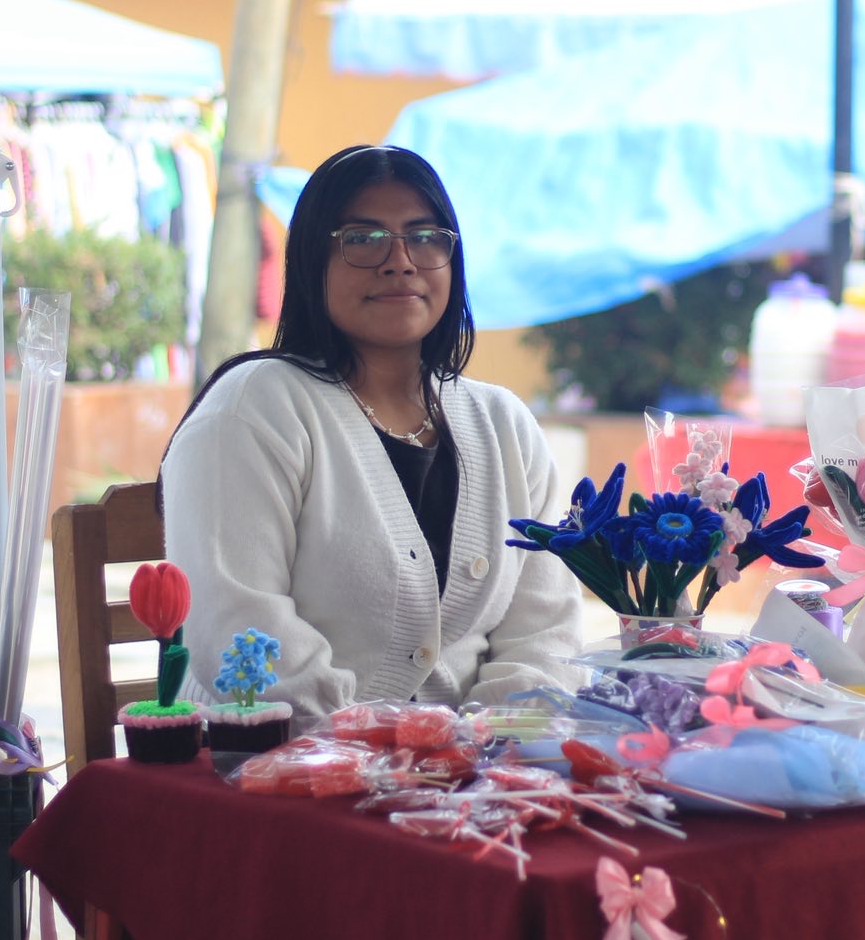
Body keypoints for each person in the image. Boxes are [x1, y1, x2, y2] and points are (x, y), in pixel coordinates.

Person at [160, 144, 582, 717]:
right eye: (362, 238)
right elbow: (236, 628)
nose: (400, 261)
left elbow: (546, 634)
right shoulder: (253, 408)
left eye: (426, 237)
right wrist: (390, 745)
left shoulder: (504, 424)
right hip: (273, 756)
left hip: (476, 763)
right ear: (312, 261)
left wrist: (489, 741)